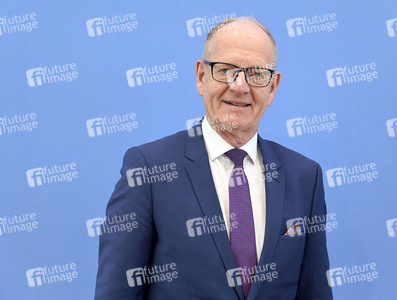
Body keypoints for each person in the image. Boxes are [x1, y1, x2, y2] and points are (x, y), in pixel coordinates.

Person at [94, 16, 333, 300]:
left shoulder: (304, 177)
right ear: (201, 76)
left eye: (257, 73)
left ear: (273, 87)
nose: (240, 86)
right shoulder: (148, 169)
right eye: (226, 70)